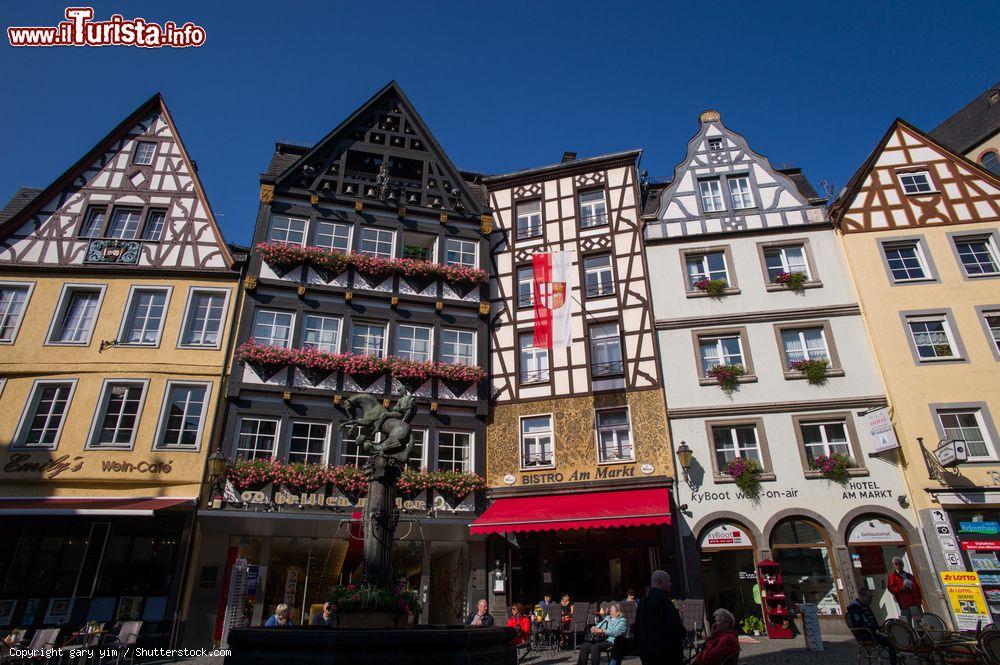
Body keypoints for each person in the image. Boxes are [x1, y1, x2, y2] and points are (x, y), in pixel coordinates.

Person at [633, 570, 686, 665]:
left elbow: (637, 629)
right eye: (668, 581)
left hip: (648, 656)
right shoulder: (664, 601)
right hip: (667, 655)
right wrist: (683, 633)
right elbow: (675, 627)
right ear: (660, 582)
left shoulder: (642, 603)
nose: (670, 584)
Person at [847, 587, 897, 665]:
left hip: (873, 633)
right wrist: (876, 631)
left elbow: (873, 621)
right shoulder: (855, 608)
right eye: (869, 597)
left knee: (894, 637)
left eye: (872, 597)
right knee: (892, 642)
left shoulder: (866, 606)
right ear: (862, 597)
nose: (872, 599)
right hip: (866, 635)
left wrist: (879, 629)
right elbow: (858, 624)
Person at [887, 557, 923, 626]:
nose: (898, 565)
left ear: (903, 564)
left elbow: (917, 588)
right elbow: (891, 588)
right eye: (896, 564)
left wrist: (919, 599)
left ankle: (919, 636)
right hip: (904, 605)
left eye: (900, 563)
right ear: (893, 565)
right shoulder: (892, 576)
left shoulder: (910, 576)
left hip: (914, 603)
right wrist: (901, 588)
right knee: (905, 624)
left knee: (919, 623)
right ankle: (909, 636)